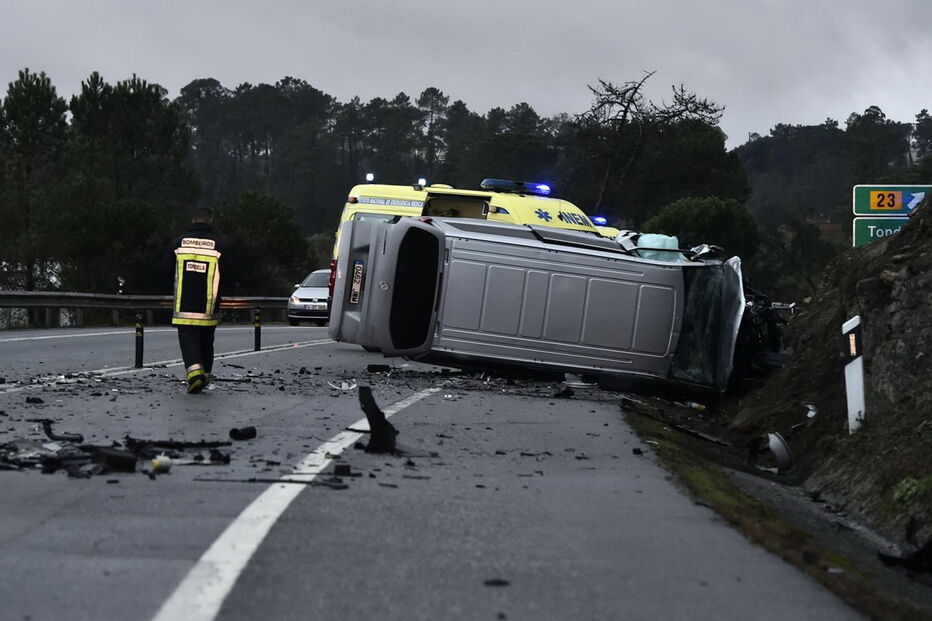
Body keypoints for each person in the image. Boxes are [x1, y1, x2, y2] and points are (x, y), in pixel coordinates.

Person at [166, 207, 230, 393]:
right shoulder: (219, 245)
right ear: (211, 220)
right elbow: (230, 273)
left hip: (183, 303)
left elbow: (165, 270)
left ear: (193, 220)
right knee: (206, 339)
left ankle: (195, 374)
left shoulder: (178, 243)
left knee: (188, 337)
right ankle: (206, 373)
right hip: (209, 304)